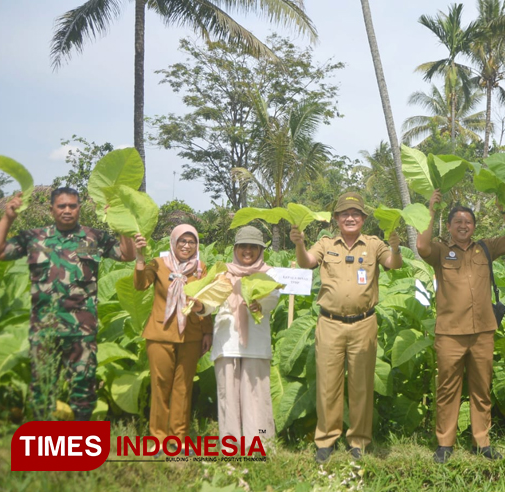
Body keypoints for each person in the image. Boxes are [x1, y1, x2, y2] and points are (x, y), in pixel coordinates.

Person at [0, 187, 135, 420]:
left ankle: (81, 443)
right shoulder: (34, 237)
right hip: (44, 328)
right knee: (42, 387)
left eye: (72, 206)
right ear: (52, 209)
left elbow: (127, 255)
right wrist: (8, 217)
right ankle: (42, 443)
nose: (67, 210)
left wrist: (121, 224)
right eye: (62, 206)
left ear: (79, 208)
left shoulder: (94, 237)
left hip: (81, 329)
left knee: (83, 386)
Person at [290, 192, 402, 463]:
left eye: (355, 214)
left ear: (363, 219)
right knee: (328, 385)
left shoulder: (374, 244)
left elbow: (393, 264)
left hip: (364, 324)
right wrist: (299, 244)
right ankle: (326, 440)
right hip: (329, 323)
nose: (350, 218)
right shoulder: (325, 243)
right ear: (337, 219)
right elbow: (307, 262)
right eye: (344, 214)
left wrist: (396, 247)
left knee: (361, 385)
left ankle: (358, 442)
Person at [416, 190, 505, 464]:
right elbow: (422, 247)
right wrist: (430, 211)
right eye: (458, 222)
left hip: (483, 333)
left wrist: (503, 210)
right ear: (450, 226)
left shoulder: (485, 247)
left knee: (481, 388)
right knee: (447, 389)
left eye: (468, 222)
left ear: (474, 226)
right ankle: (444, 443)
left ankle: (481, 442)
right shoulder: (441, 250)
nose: (463, 226)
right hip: (450, 333)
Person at [133, 224, 212, 451]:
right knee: (160, 386)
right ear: (173, 242)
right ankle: (157, 439)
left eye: (191, 242)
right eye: (182, 241)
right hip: (161, 333)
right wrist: (139, 258)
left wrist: (207, 330)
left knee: (183, 388)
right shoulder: (158, 265)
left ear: (196, 245)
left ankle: (178, 439)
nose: (186, 246)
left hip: (191, 334)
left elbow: (206, 300)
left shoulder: (200, 269)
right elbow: (140, 285)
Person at [211, 226, 280, 444]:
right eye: (243, 246)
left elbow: (272, 300)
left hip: (256, 344)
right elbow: (207, 303)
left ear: (260, 250)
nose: (248, 251)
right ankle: (230, 445)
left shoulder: (269, 274)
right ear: (235, 249)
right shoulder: (221, 274)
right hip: (226, 342)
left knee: (257, 396)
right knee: (227, 396)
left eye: (253, 247)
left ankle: (259, 444)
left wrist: (259, 303)